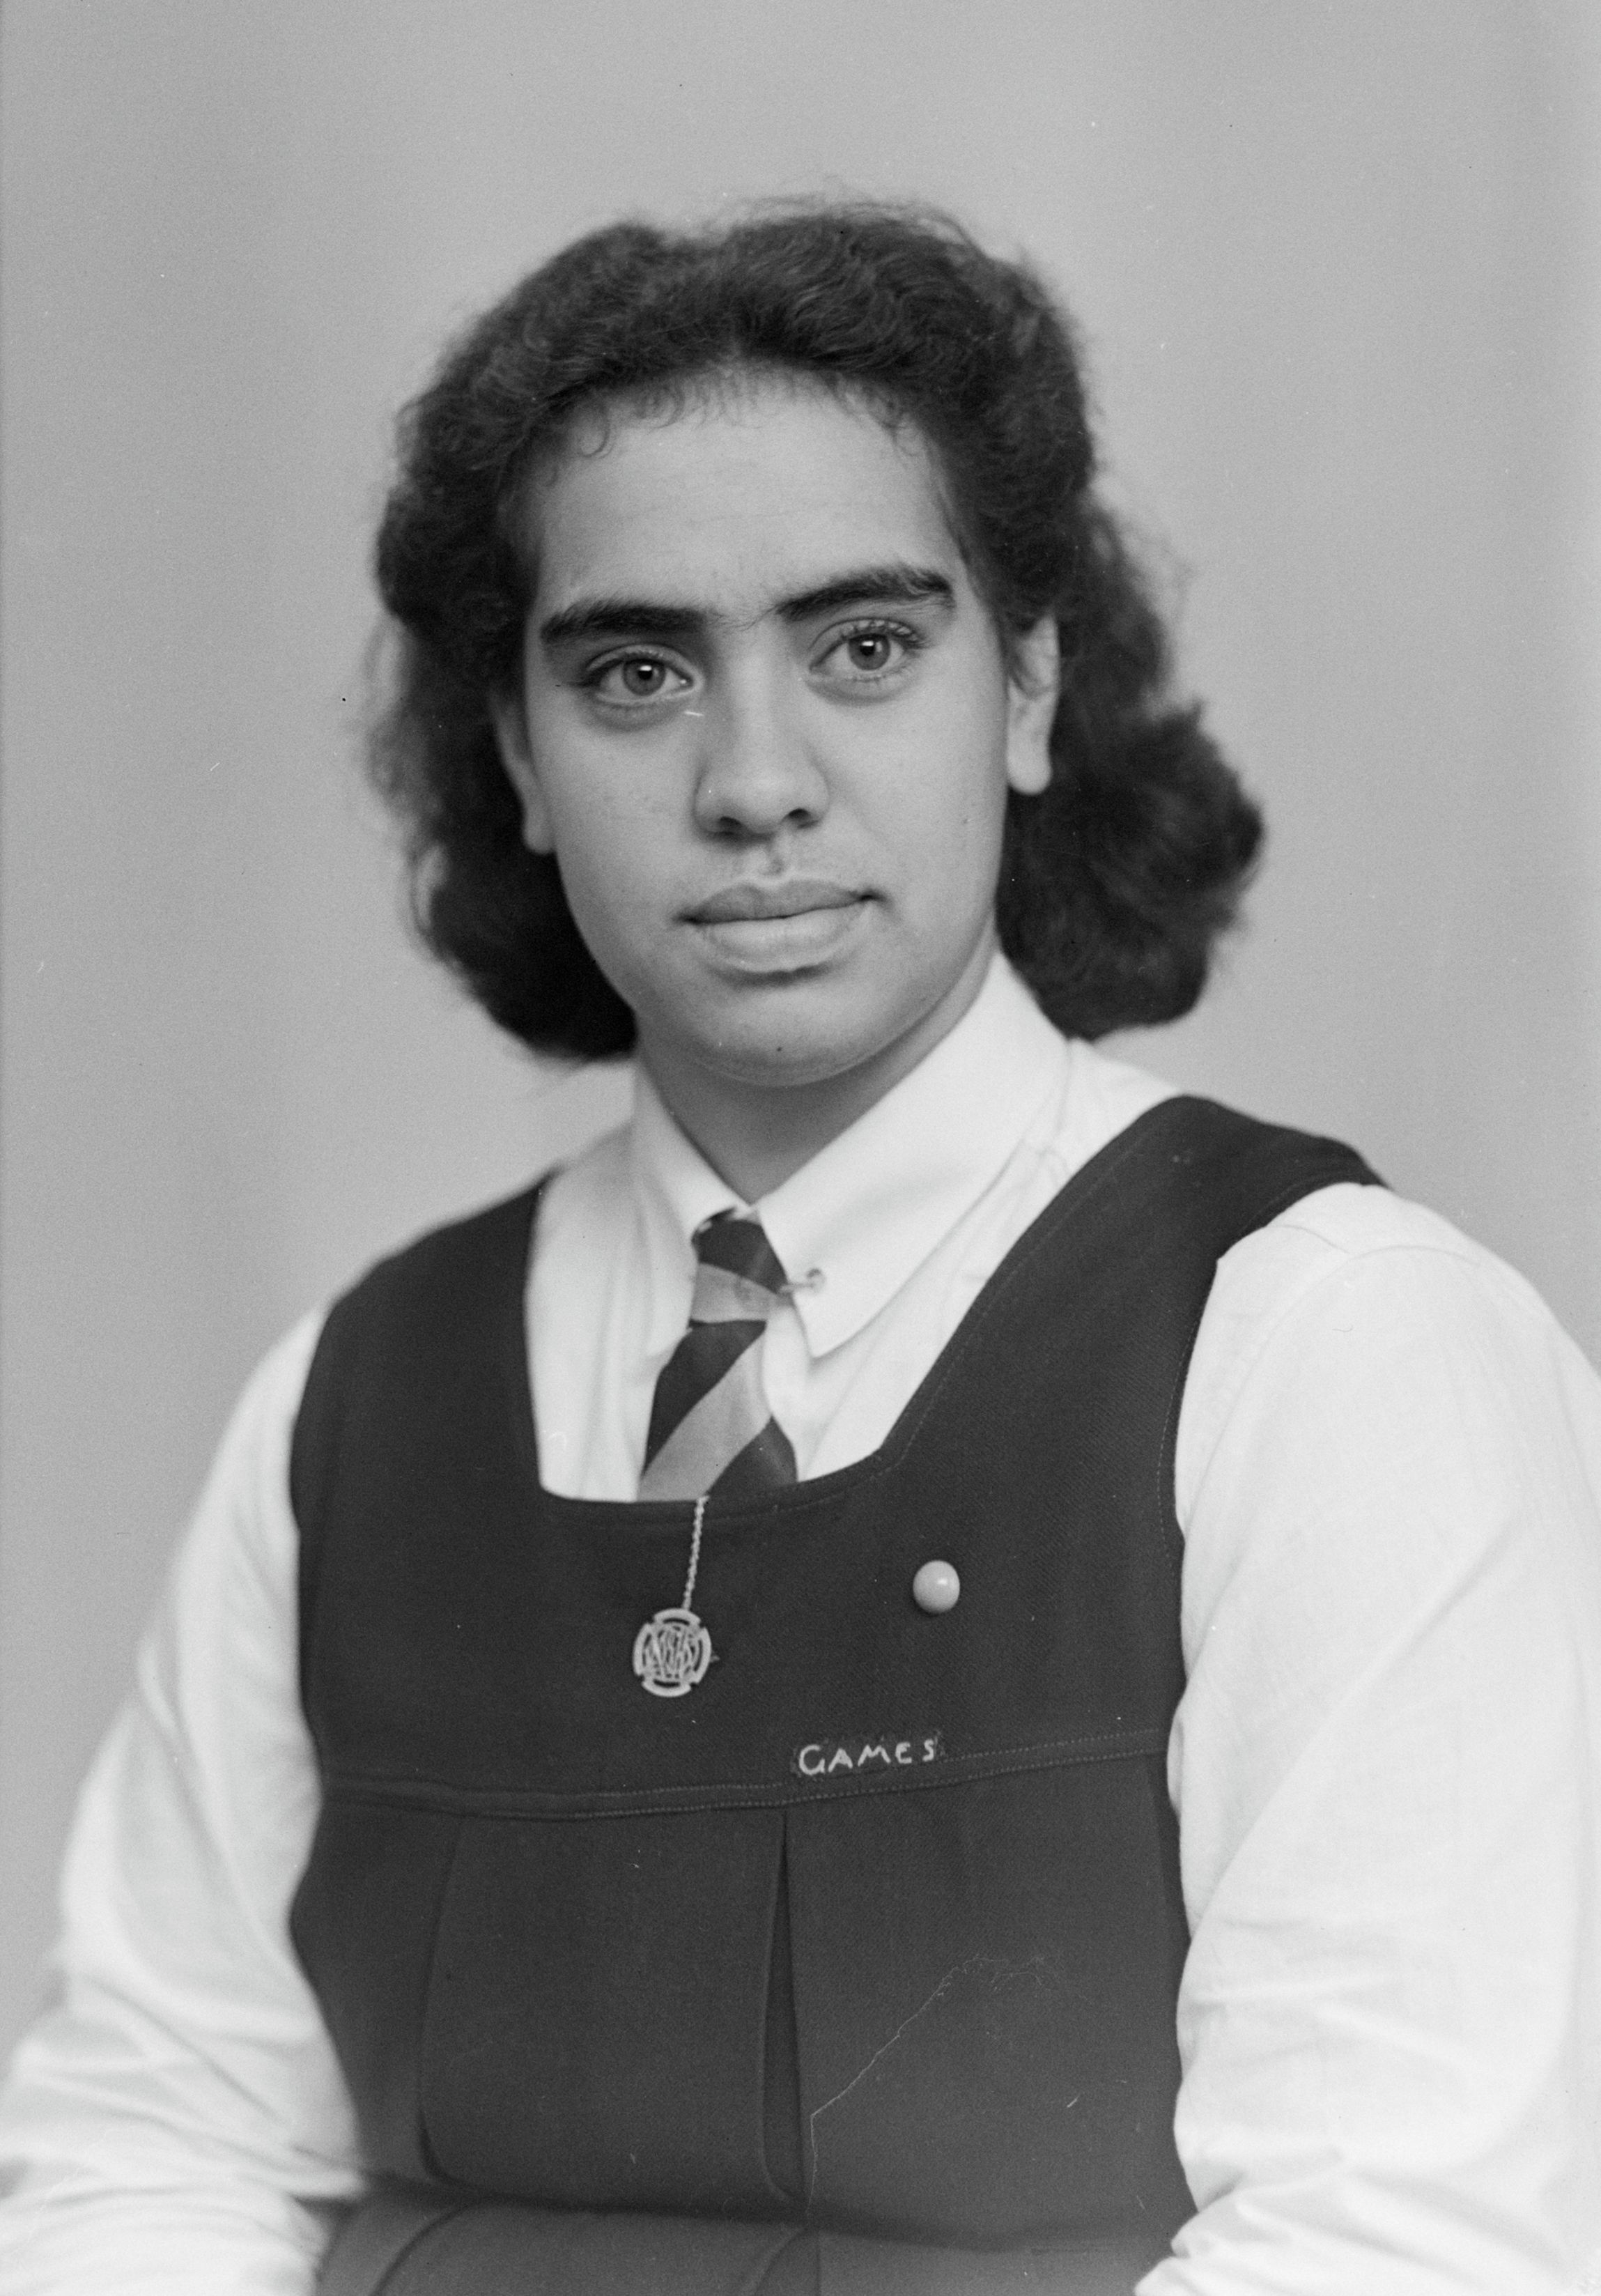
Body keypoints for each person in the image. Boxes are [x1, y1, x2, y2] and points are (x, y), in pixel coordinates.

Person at [2, 203, 1600, 2296]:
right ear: (515, 755)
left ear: (1026, 687)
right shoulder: (351, 1404)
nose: (753, 784)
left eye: (862, 648)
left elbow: (1402, 2246)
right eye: (638, 672)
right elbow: (150, 2149)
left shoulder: (1330, 1347)